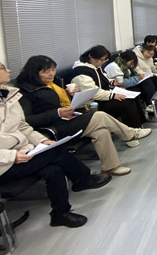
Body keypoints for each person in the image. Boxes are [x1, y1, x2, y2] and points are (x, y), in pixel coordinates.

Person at [0, 60, 112, 228]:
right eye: (3, 68)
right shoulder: (18, 93)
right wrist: (12, 156)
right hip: (4, 163)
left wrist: (41, 140)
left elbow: (23, 126)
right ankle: (83, 179)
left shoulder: (8, 95)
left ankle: (60, 214)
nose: (8, 70)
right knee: (55, 152)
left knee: (54, 169)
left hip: (21, 151)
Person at [17, 56, 151, 175]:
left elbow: (57, 102)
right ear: (34, 73)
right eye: (46, 71)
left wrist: (69, 95)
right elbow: (27, 120)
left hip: (67, 118)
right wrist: (56, 113)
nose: (51, 73)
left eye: (52, 70)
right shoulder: (26, 92)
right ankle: (130, 133)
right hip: (54, 128)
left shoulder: (53, 83)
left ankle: (110, 167)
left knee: (101, 131)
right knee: (99, 116)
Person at [72, 45, 147, 129]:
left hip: (104, 95)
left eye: (105, 60)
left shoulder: (96, 67)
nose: (103, 62)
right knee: (127, 102)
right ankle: (133, 129)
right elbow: (93, 93)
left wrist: (112, 82)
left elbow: (104, 79)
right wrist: (113, 95)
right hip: (93, 103)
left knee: (134, 97)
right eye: (102, 60)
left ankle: (140, 124)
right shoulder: (81, 72)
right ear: (92, 57)